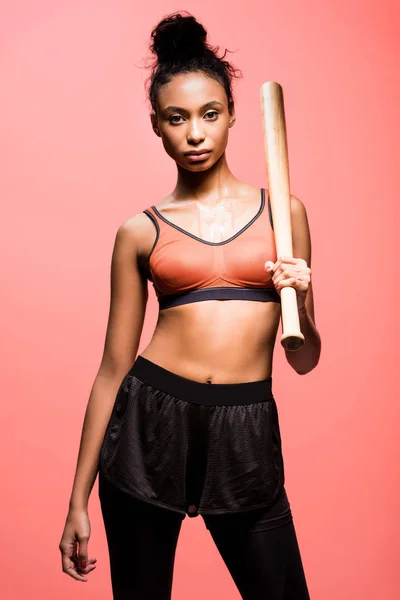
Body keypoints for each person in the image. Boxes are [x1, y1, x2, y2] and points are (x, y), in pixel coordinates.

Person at [59, 11, 321, 599]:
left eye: (209, 114)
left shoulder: (285, 212)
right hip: (151, 423)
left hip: (246, 425)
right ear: (157, 125)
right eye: (177, 118)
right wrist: (77, 501)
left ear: (231, 114)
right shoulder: (140, 231)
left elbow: (304, 358)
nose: (195, 133)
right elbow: (111, 370)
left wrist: (299, 295)